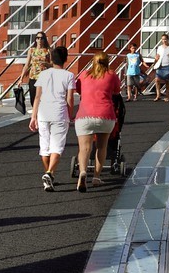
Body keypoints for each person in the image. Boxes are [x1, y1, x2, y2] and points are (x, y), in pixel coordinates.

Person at [74, 51, 121, 192]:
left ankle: (83, 172)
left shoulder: (84, 74)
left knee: (84, 148)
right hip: (105, 116)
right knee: (102, 147)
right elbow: (117, 91)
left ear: (93, 62)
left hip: (84, 116)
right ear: (107, 62)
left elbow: (79, 90)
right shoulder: (112, 75)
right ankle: (96, 177)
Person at [31, 45, 76, 191]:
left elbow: (37, 96)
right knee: (57, 147)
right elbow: (70, 99)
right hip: (59, 113)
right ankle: (49, 173)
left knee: (44, 147)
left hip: (43, 113)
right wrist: (70, 115)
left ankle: (49, 176)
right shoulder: (69, 75)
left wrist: (33, 117)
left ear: (51, 58)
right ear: (65, 59)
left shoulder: (43, 74)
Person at [19, 31, 50, 114]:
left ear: (44, 40)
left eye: (41, 38)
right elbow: (26, 65)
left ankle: (41, 115)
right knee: (33, 98)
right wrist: (21, 78)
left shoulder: (48, 51)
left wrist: (47, 64)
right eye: (37, 38)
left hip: (44, 78)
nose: (39, 40)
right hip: (33, 77)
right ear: (35, 40)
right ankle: (36, 114)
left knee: (42, 98)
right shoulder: (32, 50)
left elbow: (52, 65)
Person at [151, 34, 169, 101]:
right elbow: (158, 56)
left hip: (168, 65)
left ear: (168, 39)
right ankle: (158, 95)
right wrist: (154, 62)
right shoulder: (159, 47)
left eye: (165, 39)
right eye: (162, 39)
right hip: (160, 66)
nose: (164, 40)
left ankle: (167, 96)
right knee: (157, 80)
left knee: (167, 81)